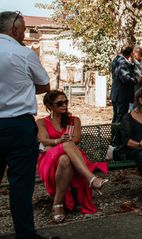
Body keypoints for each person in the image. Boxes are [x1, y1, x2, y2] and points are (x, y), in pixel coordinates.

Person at [0, 11, 59, 239]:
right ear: (14, 30)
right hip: (17, 124)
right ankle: (24, 237)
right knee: (20, 183)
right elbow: (45, 84)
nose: (24, 34)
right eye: (23, 29)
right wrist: (21, 87)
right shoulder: (21, 53)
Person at [36, 91, 109, 222]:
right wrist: (58, 141)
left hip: (71, 157)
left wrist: (55, 143)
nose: (64, 105)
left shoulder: (74, 120)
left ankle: (57, 204)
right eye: (59, 103)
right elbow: (43, 139)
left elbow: (76, 139)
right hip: (49, 159)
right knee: (67, 145)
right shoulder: (41, 122)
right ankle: (91, 179)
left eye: (66, 102)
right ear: (49, 105)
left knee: (65, 159)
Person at [110, 46, 140, 123]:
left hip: (116, 93)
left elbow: (128, 68)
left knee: (116, 116)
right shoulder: (122, 62)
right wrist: (137, 80)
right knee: (121, 117)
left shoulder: (116, 60)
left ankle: (114, 134)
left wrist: (132, 61)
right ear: (131, 53)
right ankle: (118, 135)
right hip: (122, 94)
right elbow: (126, 78)